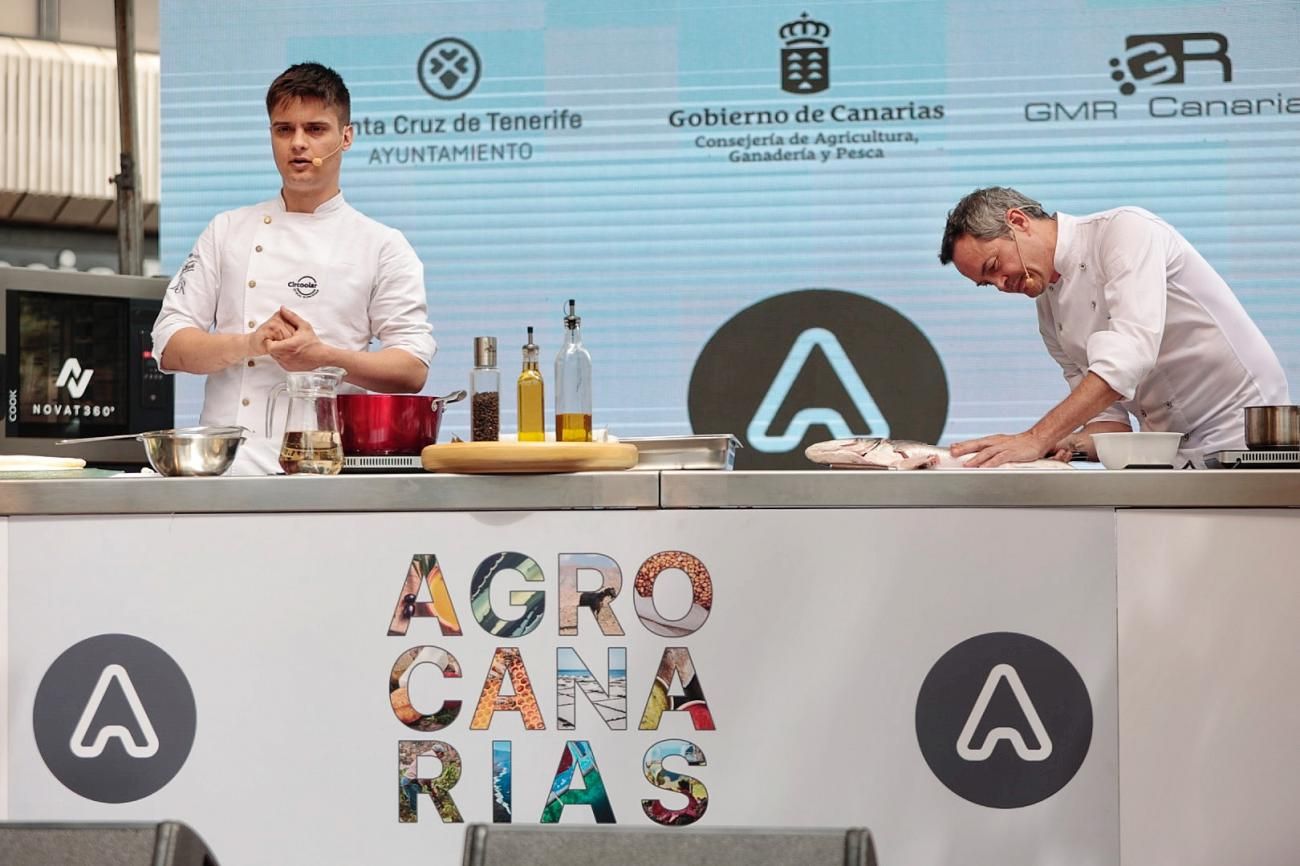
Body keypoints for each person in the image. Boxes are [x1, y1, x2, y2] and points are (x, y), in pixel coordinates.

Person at [152, 62, 436, 474]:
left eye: (315, 129)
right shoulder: (227, 230)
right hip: (225, 471)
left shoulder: (382, 245)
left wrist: (321, 356)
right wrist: (251, 344)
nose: (298, 144)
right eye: (284, 130)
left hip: (326, 469)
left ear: (346, 137)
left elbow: (411, 368)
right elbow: (169, 344)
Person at [938, 186, 1289, 468]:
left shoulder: (1126, 230)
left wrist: (1036, 437)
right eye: (988, 283)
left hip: (1243, 437)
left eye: (995, 265)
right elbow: (1111, 426)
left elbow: (1129, 356)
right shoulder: (1049, 313)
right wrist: (1061, 444)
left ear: (1018, 221)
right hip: (1169, 455)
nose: (1001, 284)